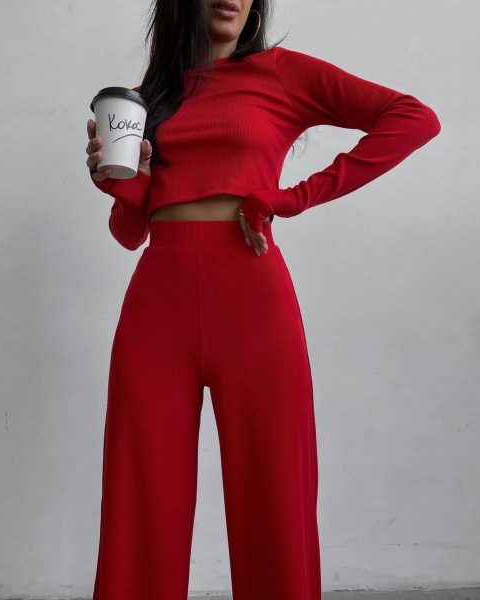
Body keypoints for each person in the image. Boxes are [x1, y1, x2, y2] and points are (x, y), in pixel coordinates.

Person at [86, 1, 441, 598]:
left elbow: (414, 119)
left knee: (275, 494)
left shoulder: (280, 73)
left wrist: (290, 197)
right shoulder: (147, 99)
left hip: (251, 296)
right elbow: (130, 233)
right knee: (140, 492)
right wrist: (118, 183)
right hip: (157, 303)